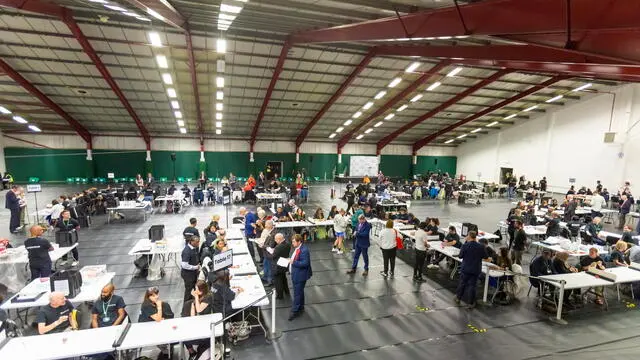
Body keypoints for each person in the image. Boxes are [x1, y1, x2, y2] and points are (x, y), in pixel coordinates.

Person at [454, 231, 489, 309]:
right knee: (472, 286)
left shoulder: (465, 245)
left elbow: (460, 256)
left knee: (462, 283)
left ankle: (458, 298)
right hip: (475, 269)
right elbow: (486, 257)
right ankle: (470, 303)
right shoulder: (481, 246)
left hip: (465, 268)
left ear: (469, 236)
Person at [289, 234, 312, 320]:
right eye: (292, 241)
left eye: (294, 241)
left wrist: (293, 262)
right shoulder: (298, 248)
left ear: (299, 242)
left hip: (300, 275)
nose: (292, 243)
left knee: (297, 293)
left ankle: (295, 311)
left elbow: (305, 263)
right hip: (296, 274)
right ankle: (301, 307)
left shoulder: (304, 250)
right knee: (299, 292)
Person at [270, 233, 291, 299]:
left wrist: (271, 252)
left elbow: (273, 256)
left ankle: (280, 295)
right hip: (284, 265)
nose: (275, 241)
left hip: (277, 266)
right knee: (284, 279)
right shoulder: (288, 244)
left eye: (276, 239)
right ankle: (286, 291)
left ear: (279, 239)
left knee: (278, 281)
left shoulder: (278, 247)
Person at [181, 236, 201, 301]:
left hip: (193, 273)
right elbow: (184, 265)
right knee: (189, 291)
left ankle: (192, 303)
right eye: (197, 242)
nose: (198, 243)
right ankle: (186, 305)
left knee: (193, 289)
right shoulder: (187, 251)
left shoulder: (193, 248)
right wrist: (195, 267)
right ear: (191, 242)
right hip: (188, 275)